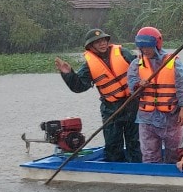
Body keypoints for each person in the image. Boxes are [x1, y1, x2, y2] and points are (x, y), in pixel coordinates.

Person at [53, 28, 141, 162]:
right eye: (98, 42)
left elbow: (140, 68)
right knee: (113, 144)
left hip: (132, 104)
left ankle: (136, 168)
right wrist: (68, 73)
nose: (102, 44)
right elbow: (78, 87)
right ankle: (115, 169)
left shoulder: (123, 53)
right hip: (111, 108)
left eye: (104, 40)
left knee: (135, 142)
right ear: (91, 46)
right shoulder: (89, 65)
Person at [126, 26, 183, 163]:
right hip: (146, 119)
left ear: (156, 44)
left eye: (148, 47)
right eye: (142, 47)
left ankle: (174, 179)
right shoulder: (136, 64)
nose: (145, 50)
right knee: (149, 155)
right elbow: (132, 85)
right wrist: (138, 85)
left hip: (171, 117)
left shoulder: (173, 62)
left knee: (174, 154)